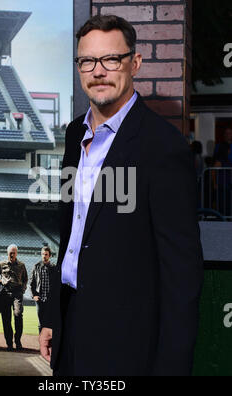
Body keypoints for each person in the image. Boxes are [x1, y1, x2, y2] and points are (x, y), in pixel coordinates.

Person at [39, 15, 204, 376]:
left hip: (125, 344)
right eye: (87, 61)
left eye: (111, 59)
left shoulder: (163, 148)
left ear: (135, 63)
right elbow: (71, 233)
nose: (98, 71)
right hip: (69, 330)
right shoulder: (72, 136)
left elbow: (182, 274)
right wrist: (53, 316)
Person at [0, 244, 28, 351]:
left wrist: (22, 289)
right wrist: (0, 281)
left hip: (17, 293)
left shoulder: (22, 265)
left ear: (17, 253)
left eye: (14, 252)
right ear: (7, 252)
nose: (12, 254)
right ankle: (9, 343)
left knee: (18, 314)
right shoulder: (1, 264)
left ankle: (17, 340)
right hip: (5, 294)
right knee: (6, 319)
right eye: (10, 252)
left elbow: (25, 279)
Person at [30, 246, 56, 333]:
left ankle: (49, 344)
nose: (44, 256)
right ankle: (42, 344)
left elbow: (57, 285)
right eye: (42, 254)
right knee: (41, 324)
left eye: (46, 254)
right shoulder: (36, 267)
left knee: (50, 323)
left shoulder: (54, 268)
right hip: (40, 300)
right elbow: (31, 283)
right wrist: (34, 295)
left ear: (50, 256)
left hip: (50, 300)